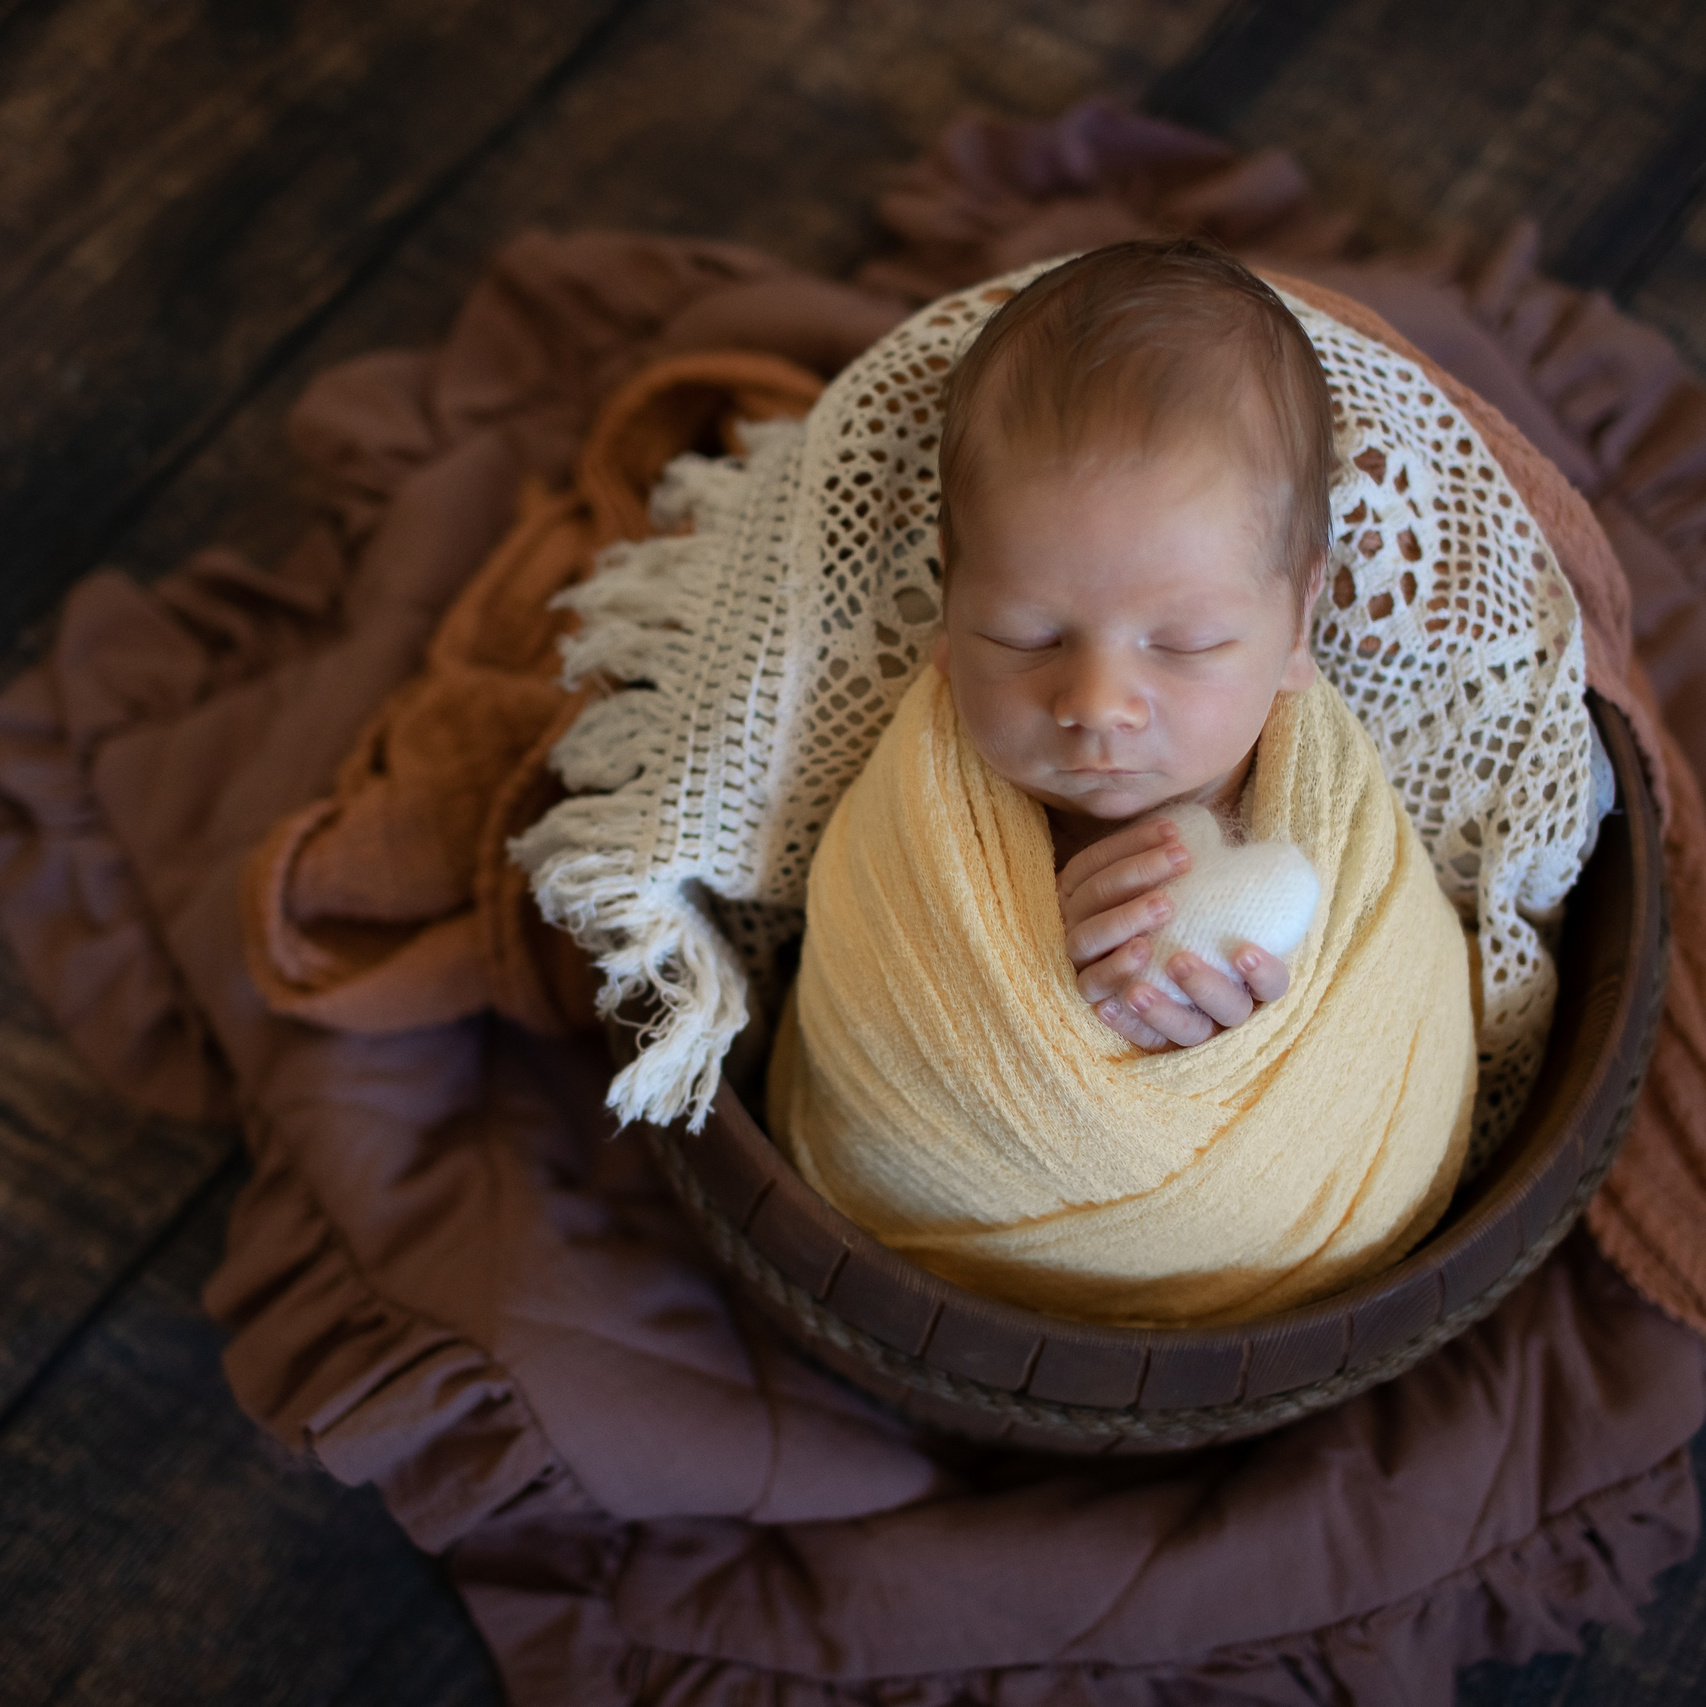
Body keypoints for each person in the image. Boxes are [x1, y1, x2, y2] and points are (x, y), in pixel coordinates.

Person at [929, 237, 1332, 1052]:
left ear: (1297, 628)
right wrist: (1041, 962)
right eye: (1027, 635)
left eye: (1185, 643)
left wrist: (1241, 1037)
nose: (1096, 704)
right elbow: (878, 987)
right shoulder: (929, 806)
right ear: (947, 604)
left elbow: (1372, 1010)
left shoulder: (1326, 809)